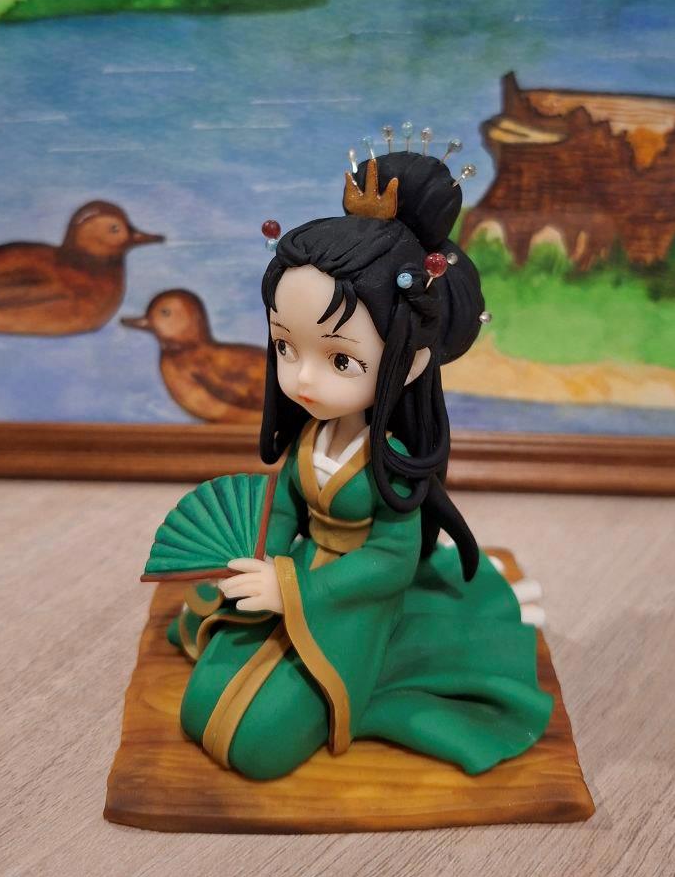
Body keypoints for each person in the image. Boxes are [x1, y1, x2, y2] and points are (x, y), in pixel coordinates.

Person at [168, 148, 553, 779]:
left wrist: (295, 592)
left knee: (256, 742)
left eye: (340, 359)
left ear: (413, 360)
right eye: (285, 347)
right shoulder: (308, 437)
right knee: (205, 692)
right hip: (295, 576)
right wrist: (260, 555)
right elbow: (285, 507)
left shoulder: (390, 462)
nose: (302, 379)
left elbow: (390, 560)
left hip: (353, 601)